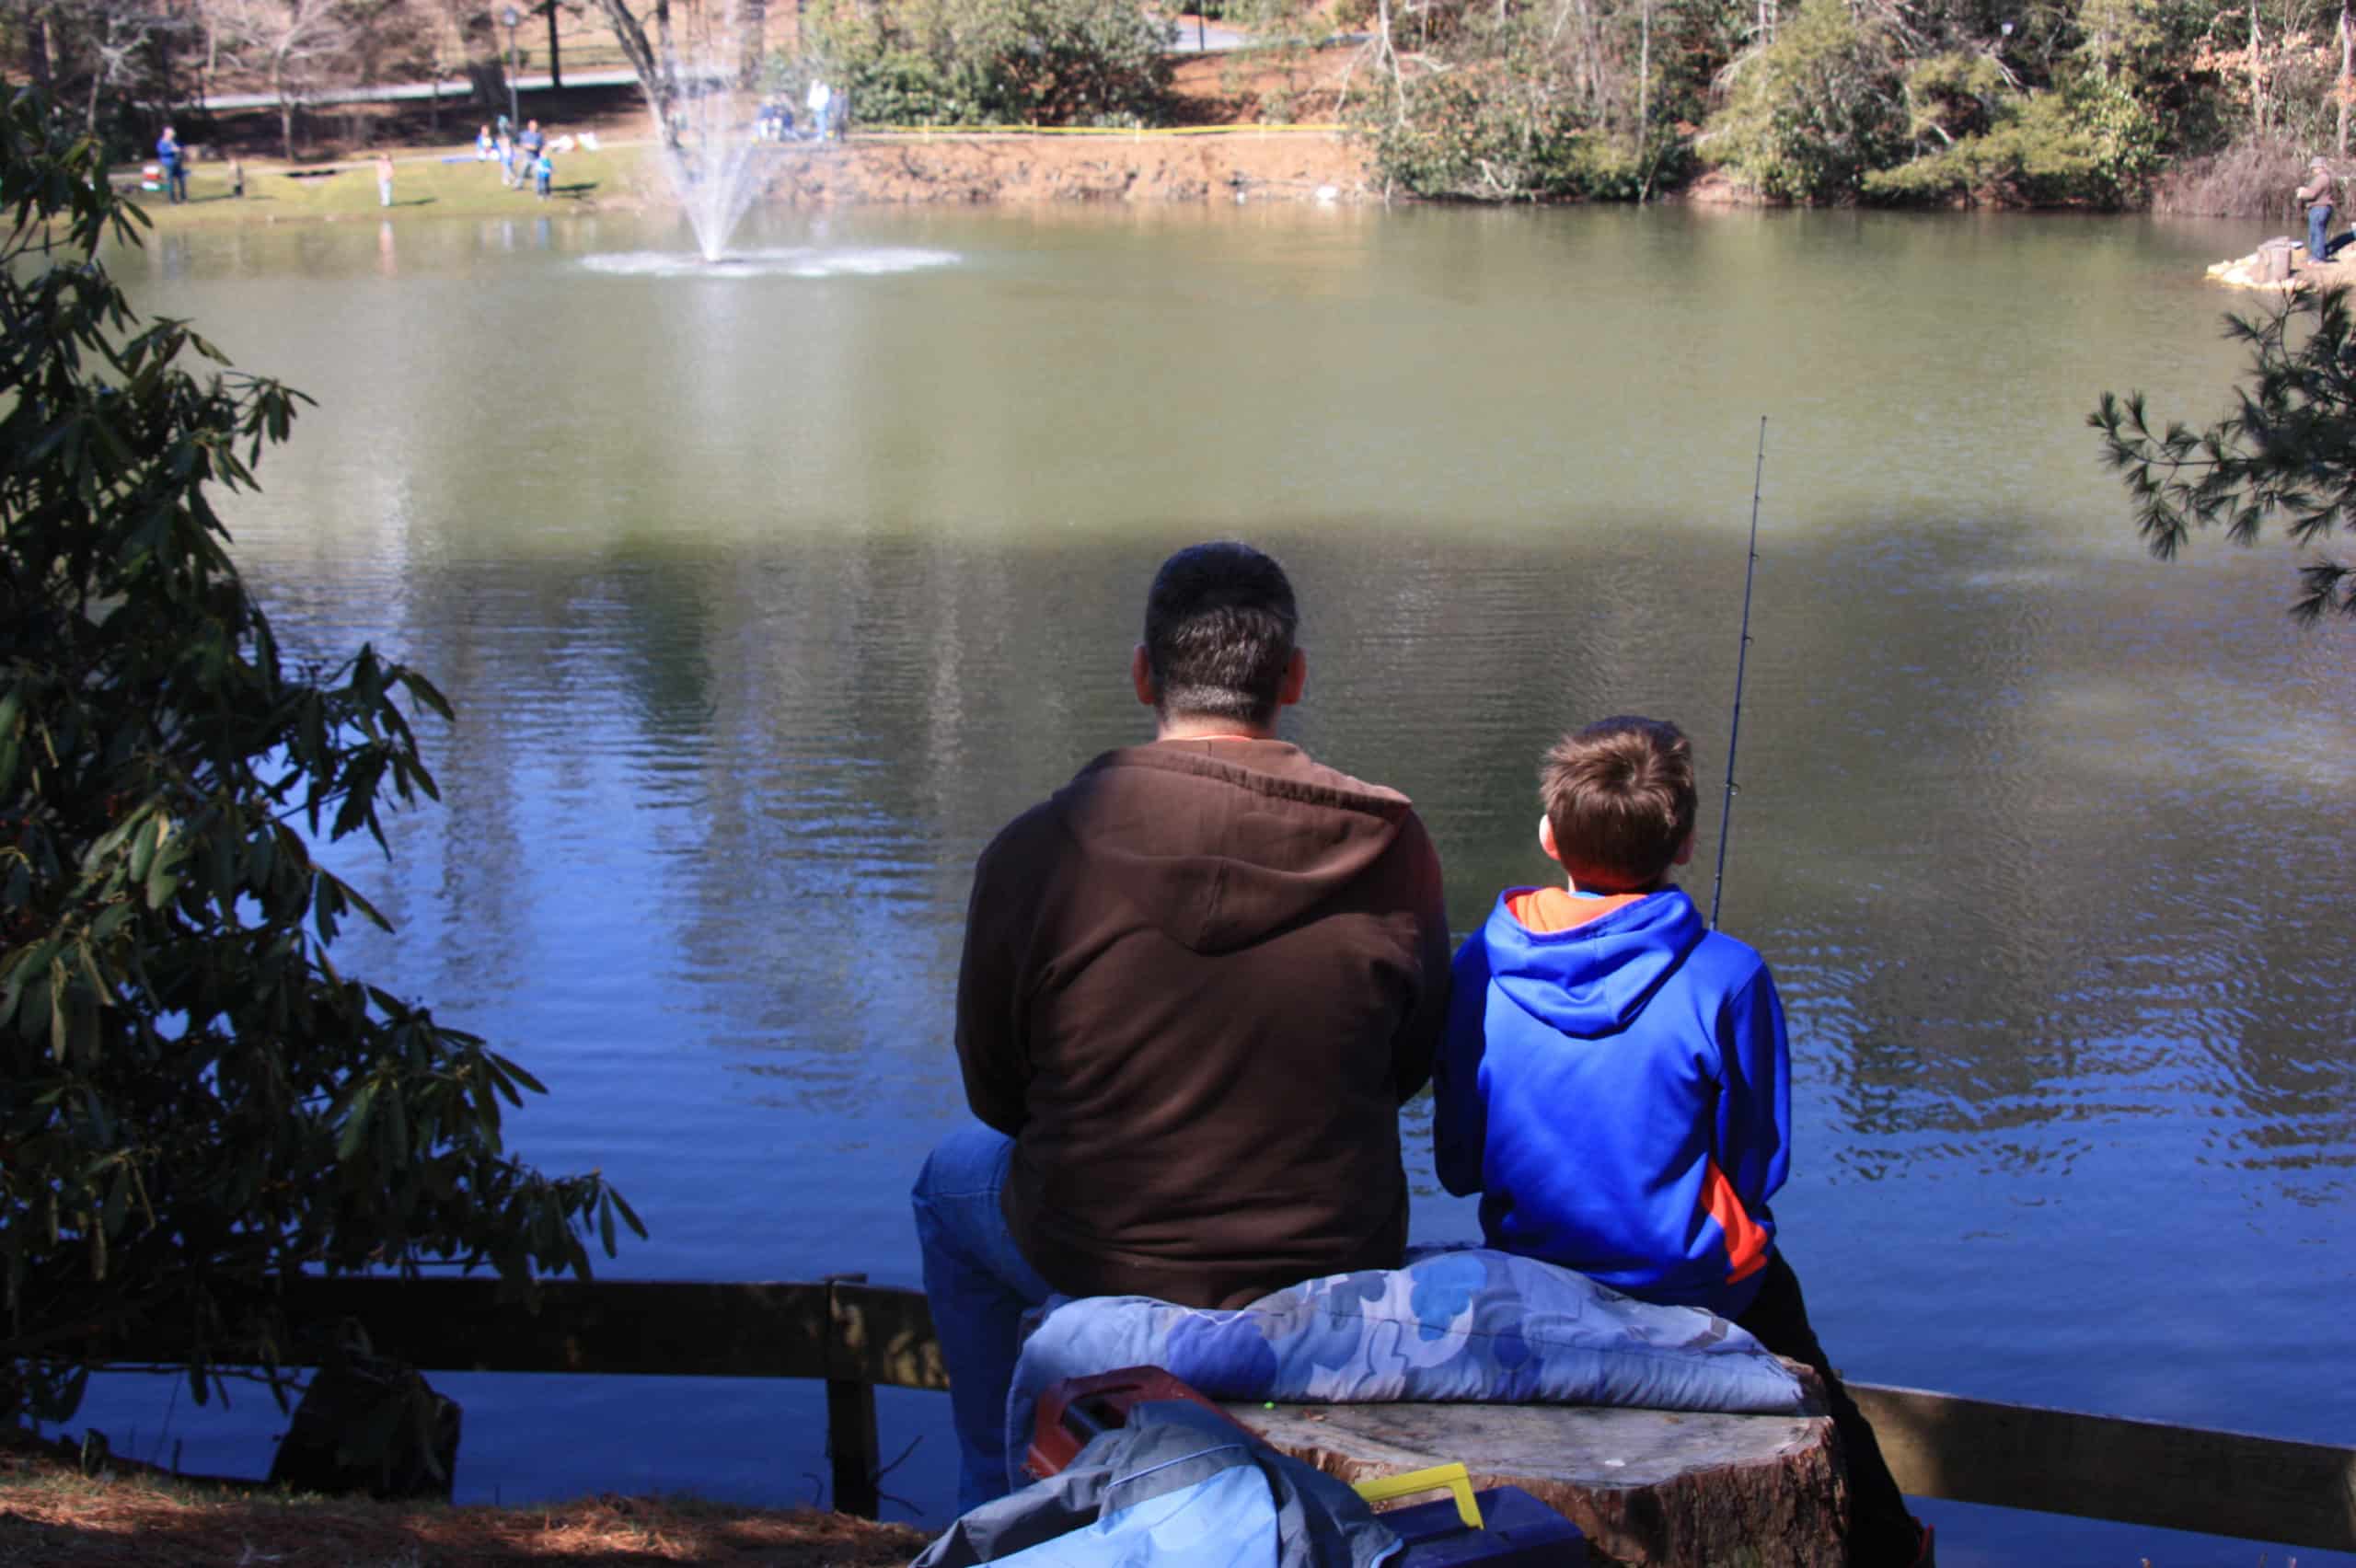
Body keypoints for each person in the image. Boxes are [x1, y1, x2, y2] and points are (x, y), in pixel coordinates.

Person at [914, 541, 1452, 1515]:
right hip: (1329, 1249)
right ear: (1290, 678)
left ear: (1141, 674)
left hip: (1094, 1250)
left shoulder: (1035, 851)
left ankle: (996, 1503)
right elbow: (1406, 1065)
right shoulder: (1393, 845)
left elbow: (997, 1094)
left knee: (949, 1182)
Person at [1431, 717, 1933, 1568]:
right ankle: (1892, 1552)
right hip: (1694, 1287)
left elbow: (1456, 1165)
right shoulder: (1727, 974)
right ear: (1688, 843)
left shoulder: (1479, 964)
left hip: (1532, 1278)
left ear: (1549, 835)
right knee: (1810, 1370)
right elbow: (1757, 1169)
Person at [2298, 156, 2338, 265]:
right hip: (2322, 208)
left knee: (2317, 233)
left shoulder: (2322, 178)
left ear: (2320, 167)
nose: (2313, 170)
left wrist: (2302, 192)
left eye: (2314, 168)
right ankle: (2316, 256)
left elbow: (2312, 193)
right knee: (2316, 232)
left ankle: (2318, 258)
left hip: (2319, 208)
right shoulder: (2325, 177)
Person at [156, 125, 187, 204]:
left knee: (182, 180)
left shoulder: (174, 142)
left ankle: (184, 198)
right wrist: (172, 150)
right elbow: (162, 151)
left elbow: (181, 147)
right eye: (171, 134)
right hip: (168, 163)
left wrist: (181, 149)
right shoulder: (162, 142)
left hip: (177, 163)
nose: (173, 135)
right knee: (170, 182)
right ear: (166, 134)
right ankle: (172, 200)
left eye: (173, 134)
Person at [806, 76, 832, 141]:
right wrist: (811, 106)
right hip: (816, 109)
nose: (815, 85)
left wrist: (819, 104)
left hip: (823, 108)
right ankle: (820, 135)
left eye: (816, 84)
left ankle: (823, 136)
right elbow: (811, 98)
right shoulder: (813, 89)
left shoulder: (825, 88)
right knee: (818, 122)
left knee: (823, 122)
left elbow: (826, 99)